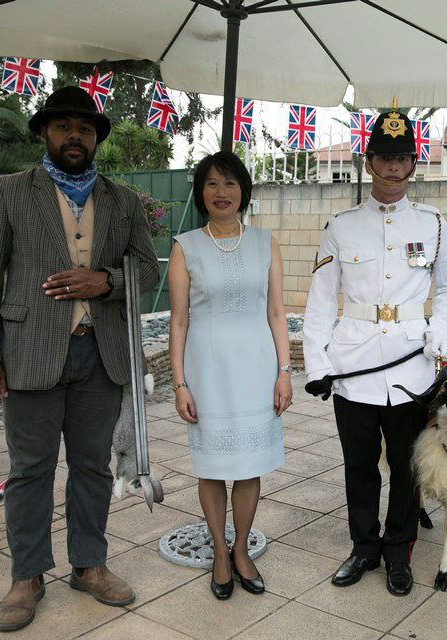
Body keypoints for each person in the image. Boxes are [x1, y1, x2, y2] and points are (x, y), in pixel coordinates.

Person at [0, 86, 160, 632]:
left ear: (96, 137)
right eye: (63, 126)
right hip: (29, 354)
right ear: (45, 133)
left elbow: (147, 269)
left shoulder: (121, 198)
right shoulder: (7, 192)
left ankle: (88, 565)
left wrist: (107, 281)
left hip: (100, 355)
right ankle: (26, 575)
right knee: (29, 471)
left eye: (84, 128)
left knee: (91, 470)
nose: (74, 135)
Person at [302, 107, 447, 596]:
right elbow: (319, 297)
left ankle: (399, 552)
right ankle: (363, 547)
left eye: (402, 158)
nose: (394, 167)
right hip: (353, 365)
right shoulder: (342, 225)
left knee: (406, 466)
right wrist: (318, 363)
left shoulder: (434, 224)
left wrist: (438, 331)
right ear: (369, 162)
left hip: (411, 367)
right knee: (359, 465)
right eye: (384, 158)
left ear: (414, 164)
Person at [168, 151, 290, 601]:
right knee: (213, 466)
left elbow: (276, 311)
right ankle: (219, 552)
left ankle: (242, 549)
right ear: (201, 192)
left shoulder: (265, 242)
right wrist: (180, 383)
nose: (222, 193)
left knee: (250, 465)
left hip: (256, 366)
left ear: (244, 191)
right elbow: (178, 321)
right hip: (207, 368)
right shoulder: (185, 245)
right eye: (212, 184)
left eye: (231, 183)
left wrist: (284, 372)